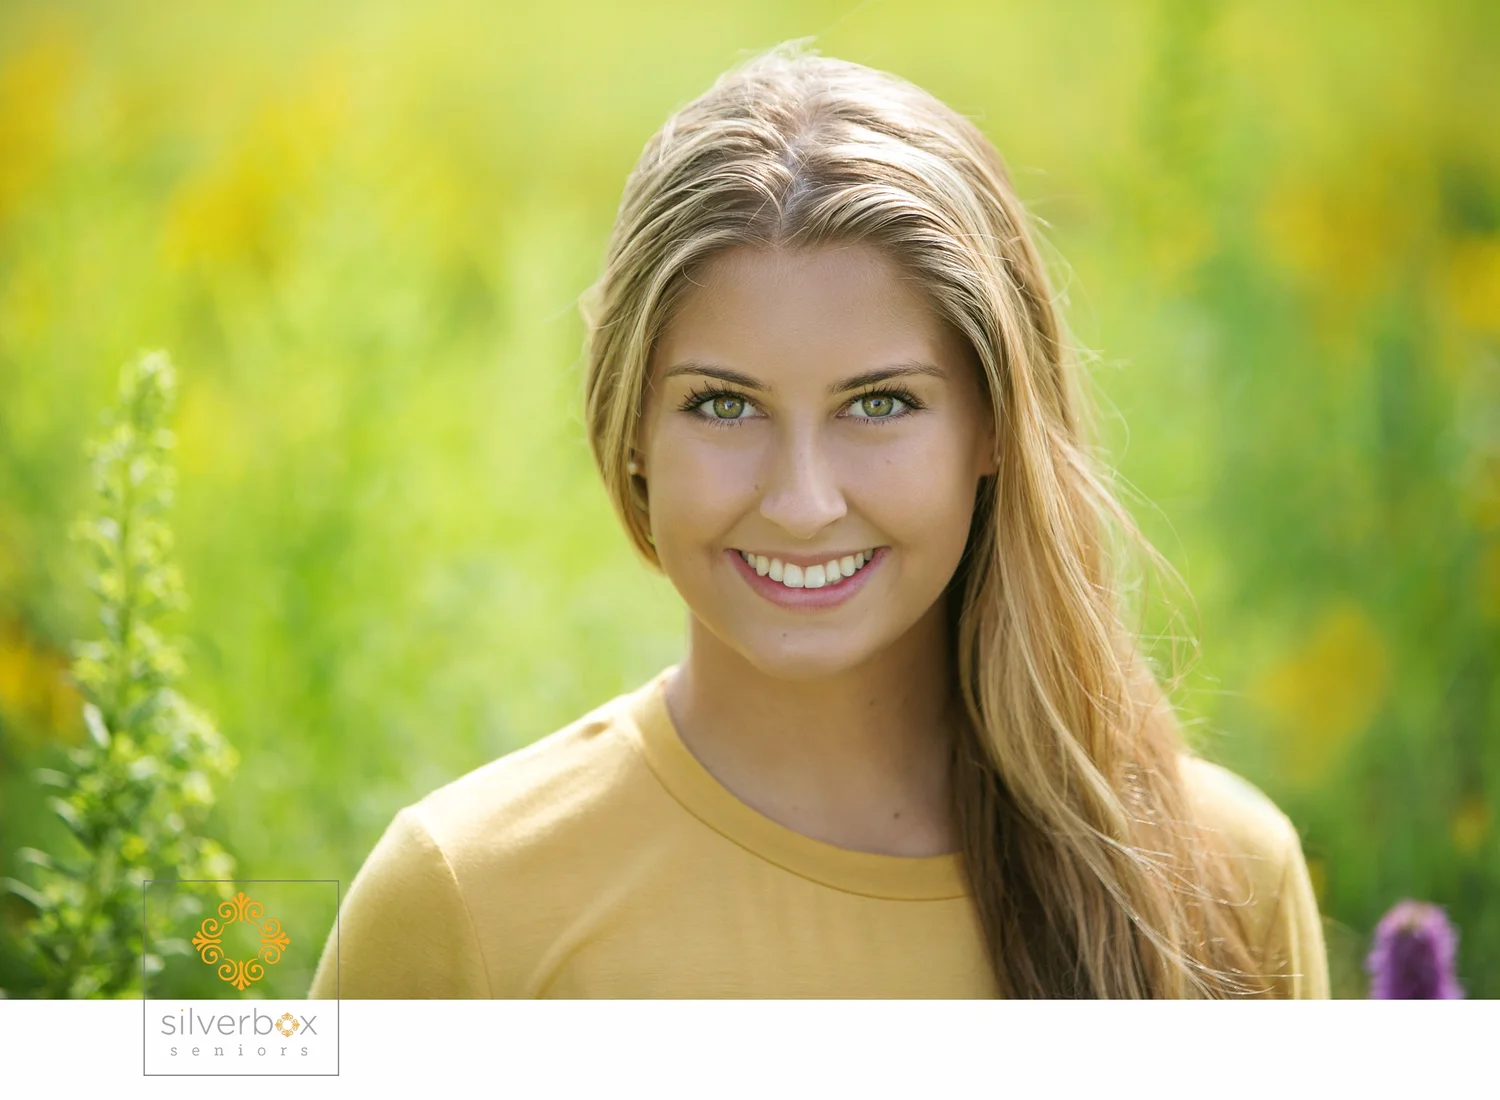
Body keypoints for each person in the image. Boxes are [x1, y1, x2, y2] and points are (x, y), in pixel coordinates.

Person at [307, 43, 1329, 999]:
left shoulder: (1222, 877)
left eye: (879, 403)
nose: (802, 502)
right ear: (630, 434)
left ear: (996, 430)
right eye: (723, 403)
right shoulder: (463, 901)